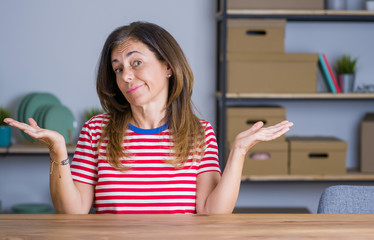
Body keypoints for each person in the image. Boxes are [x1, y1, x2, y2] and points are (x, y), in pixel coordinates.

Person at [4, 21, 293, 214]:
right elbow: (73, 212)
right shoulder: (96, 130)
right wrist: (57, 153)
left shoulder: (199, 133)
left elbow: (211, 212)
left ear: (168, 66)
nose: (126, 75)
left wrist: (239, 152)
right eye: (117, 68)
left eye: (136, 62)